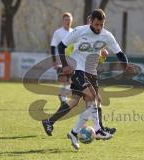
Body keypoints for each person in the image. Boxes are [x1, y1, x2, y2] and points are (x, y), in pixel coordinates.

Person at [42, 9, 136, 149]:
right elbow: (61, 46)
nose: (99, 28)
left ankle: (61, 127)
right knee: (92, 96)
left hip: (91, 72)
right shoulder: (80, 31)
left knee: (78, 101)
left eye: (101, 25)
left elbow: (119, 53)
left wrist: (126, 65)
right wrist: (66, 65)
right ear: (91, 21)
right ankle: (98, 130)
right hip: (77, 68)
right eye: (97, 24)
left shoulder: (107, 35)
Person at [50, 12, 73, 103]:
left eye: (69, 19)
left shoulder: (73, 31)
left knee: (71, 80)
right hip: (61, 61)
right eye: (66, 19)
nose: (68, 21)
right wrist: (54, 61)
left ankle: (62, 96)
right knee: (65, 79)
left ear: (72, 21)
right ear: (63, 21)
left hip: (72, 61)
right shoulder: (58, 32)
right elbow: (53, 46)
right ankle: (63, 100)